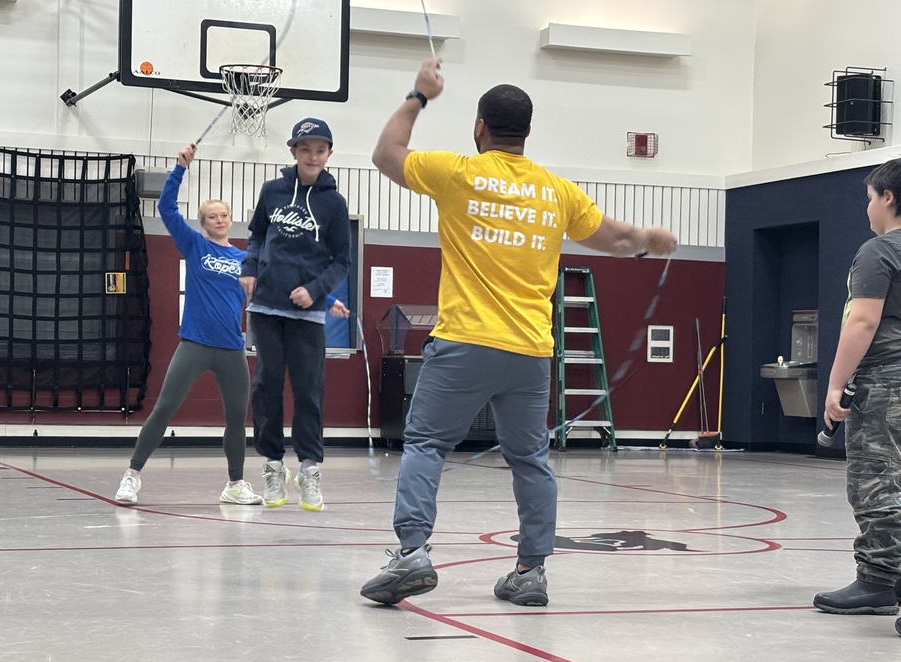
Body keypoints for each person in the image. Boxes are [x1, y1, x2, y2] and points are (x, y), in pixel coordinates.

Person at [359, 59, 678, 606]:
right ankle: (530, 572)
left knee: (427, 445)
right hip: (531, 353)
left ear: (480, 126)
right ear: (526, 132)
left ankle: (412, 554)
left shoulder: (456, 172)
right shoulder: (556, 192)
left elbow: (385, 155)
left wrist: (419, 94)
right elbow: (619, 239)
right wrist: (649, 240)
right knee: (529, 459)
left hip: (464, 343)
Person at [114, 144, 261, 507]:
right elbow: (165, 208)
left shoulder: (245, 259)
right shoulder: (195, 246)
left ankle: (235, 484)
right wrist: (180, 169)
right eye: (212, 216)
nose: (220, 219)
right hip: (194, 343)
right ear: (203, 223)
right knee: (164, 408)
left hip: (231, 348)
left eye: (224, 214)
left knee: (236, 418)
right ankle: (132, 475)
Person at [239, 118, 351, 512]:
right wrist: (249, 269)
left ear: (329, 154)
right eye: (306, 149)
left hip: (308, 317)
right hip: (267, 309)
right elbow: (255, 235)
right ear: (293, 152)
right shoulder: (272, 191)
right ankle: (272, 466)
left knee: (308, 392)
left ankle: (309, 468)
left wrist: (316, 291)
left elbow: (342, 260)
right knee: (266, 386)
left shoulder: (334, 204)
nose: (313, 156)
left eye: (320, 150)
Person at [812, 159, 901, 633]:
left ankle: (879, 579)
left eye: (870, 197)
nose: (868, 207)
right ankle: (884, 579)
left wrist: (834, 385)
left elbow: (863, 321)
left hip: (887, 381)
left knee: (877, 484)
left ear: (888, 197)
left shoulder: (879, 251)